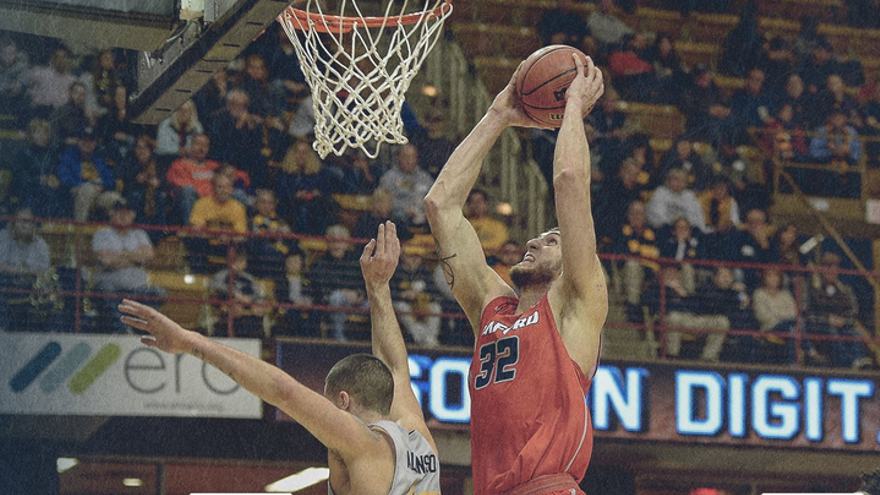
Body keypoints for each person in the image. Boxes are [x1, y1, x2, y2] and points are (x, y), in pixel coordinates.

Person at [117, 222, 440, 495]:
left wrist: (192, 342)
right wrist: (378, 286)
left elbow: (282, 390)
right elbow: (397, 367)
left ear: (343, 401)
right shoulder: (420, 438)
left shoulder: (361, 442)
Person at [425, 54, 607, 494]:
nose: (533, 242)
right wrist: (497, 116)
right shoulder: (493, 309)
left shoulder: (576, 302)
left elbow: (567, 178)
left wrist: (572, 106)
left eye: (551, 239)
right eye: (537, 237)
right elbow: (440, 206)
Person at [92, 199, 167, 333]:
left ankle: (140, 328)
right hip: (113, 289)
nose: (123, 215)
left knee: (160, 293)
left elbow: (149, 255)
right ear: (112, 214)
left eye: (127, 213)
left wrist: (120, 255)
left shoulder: (139, 234)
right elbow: (106, 260)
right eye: (119, 212)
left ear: (133, 215)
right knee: (104, 290)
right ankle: (124, 330)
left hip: (137, 290)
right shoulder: (102, 234)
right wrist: (135, 259)